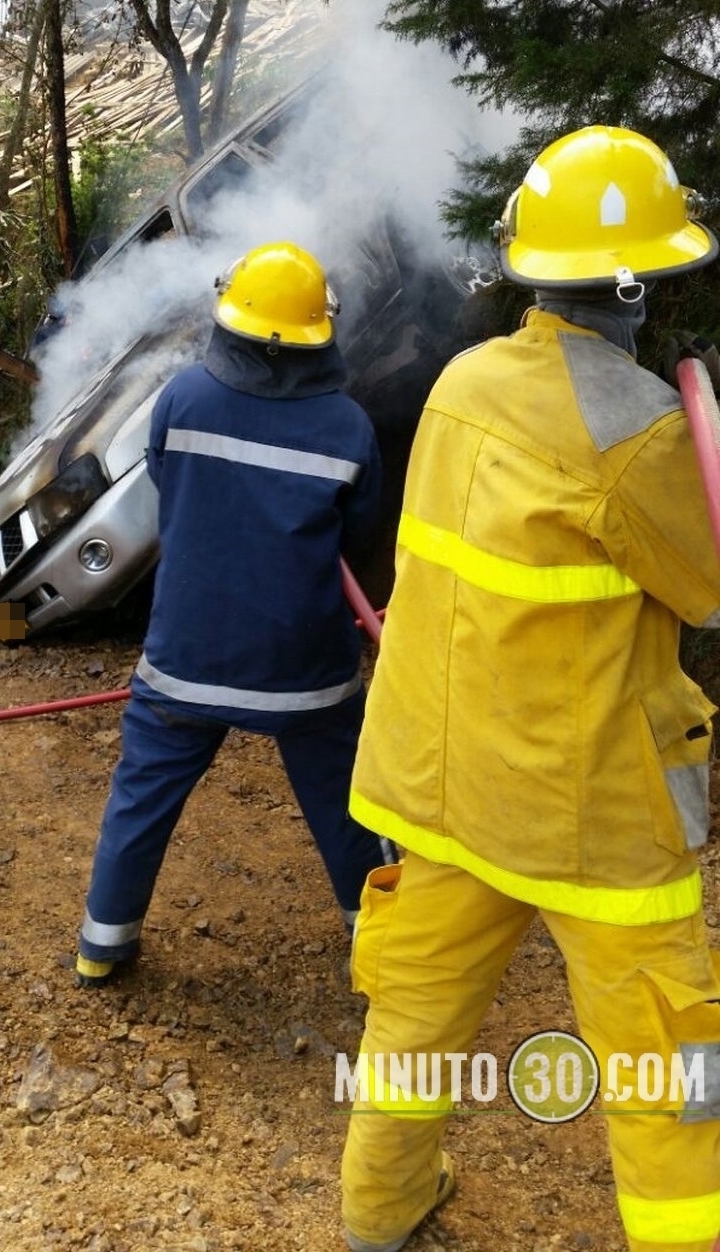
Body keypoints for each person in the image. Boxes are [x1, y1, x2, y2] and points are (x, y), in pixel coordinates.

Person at [340, 126, 720, 1252]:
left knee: (412, 1020)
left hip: (441, 782)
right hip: (591, 812)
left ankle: (380, 1214)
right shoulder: (640, 426)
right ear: (640, 285)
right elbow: (704, 584)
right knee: (668, 1055)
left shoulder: (461, 382)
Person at [75, 240, 395, 988]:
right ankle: (386, 956)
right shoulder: (348, 428)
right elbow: (357, 534)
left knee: (140, 801)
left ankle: (102, 946)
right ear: (324, 332)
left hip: (184, 661)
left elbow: (167, 482)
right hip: (305, 675)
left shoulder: (182, 398)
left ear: (229, 320)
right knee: (350, 805)